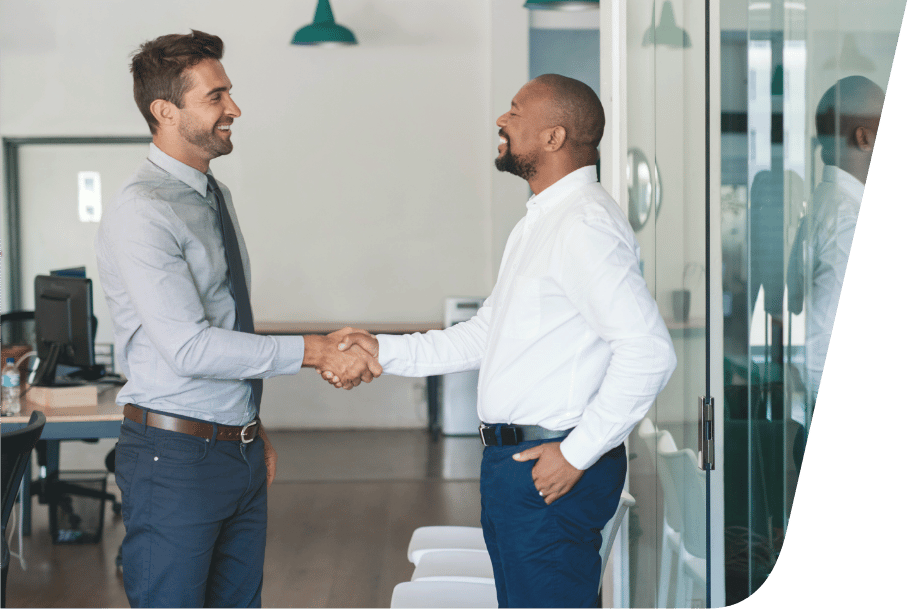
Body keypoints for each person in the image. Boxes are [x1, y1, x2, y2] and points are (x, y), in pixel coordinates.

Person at [330, 74, 676, 608]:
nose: (501, 120)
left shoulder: (584, 225)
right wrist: (385, 351)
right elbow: (485, 335)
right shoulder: (540, 222)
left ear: (554, 137)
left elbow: (649, 351)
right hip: (517, 468)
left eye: (515, 111)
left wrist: (576, 454)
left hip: (550, 467)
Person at [94, 30, 379, 608]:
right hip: (173, 461)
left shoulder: (211, 195)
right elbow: (190, 349)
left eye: (229, 93)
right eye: (215, 97)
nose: (234, 109)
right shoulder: (143, 211)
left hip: (236, 450)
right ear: (164, 111)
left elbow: (229, 325)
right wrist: (318, 350)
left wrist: (249, 423)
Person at [788, 75, 884, 406]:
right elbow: (821, 343)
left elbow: (795, 300)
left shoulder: (822, 204)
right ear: (864, 137)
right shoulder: (849, 221)